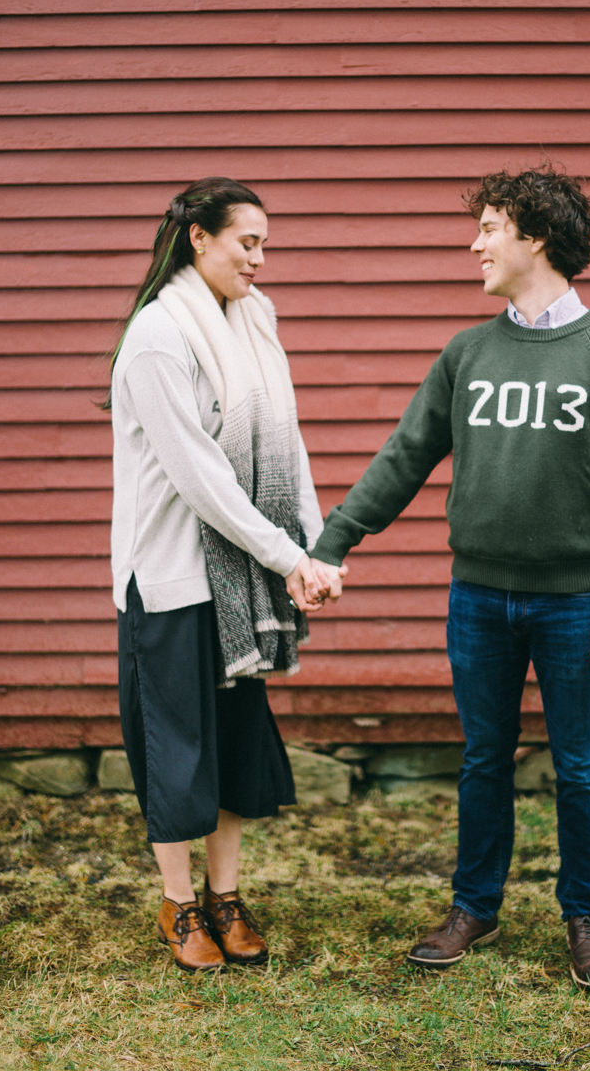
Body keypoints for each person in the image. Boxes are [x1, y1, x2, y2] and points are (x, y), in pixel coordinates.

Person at [308, 166, 590, 992]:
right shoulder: (468, 352)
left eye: (490, 229)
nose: (475, 244)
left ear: (534, 238)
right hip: (477, 596)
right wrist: (335, 542)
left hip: (578, 603)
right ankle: (476, 905)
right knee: (483, 759)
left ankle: (586, 916)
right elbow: (405, 457)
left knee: (579, 765)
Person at [108, 177, 335, 972]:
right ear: (199, 237)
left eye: (265, 243)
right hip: (170, 578)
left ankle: (225, 896)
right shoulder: (158, 336)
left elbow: (286, 441)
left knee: (234, 740)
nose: (260, 259)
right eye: (249, 242)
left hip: (238, 581)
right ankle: (177, 905)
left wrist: (310, 546)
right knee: (178, 746)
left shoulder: (255, 318)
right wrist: (285, 554)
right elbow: (202, 478)